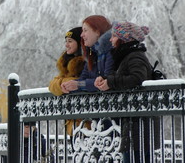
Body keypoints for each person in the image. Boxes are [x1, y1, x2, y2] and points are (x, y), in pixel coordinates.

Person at [95, 21, 159, 163]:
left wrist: (110, 82)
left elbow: (137, 78)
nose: (111, 40)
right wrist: (106, 80)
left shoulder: (135, 56)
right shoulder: (128, 56)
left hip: (140, 126)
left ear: (123, 38)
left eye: (113, 36)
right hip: (134, 125)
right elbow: (126, 78)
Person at [61, 15, 113, 93]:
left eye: (85, 30)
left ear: (97, 32)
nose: (82, 35)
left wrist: (78, 84)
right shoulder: (92, 53)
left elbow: (106, 81)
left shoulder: (111, 51)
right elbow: (83, 79)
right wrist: (68, 86)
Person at [48, 27, 86, 135]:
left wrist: (63, 82)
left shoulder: (85, 61)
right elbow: (52, 85)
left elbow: (81, 81)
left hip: (86, 122)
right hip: (72, 122)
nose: (66, 45)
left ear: (80, 43)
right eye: (66, 41)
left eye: (70, 41)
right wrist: (62, 84)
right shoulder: (65, 63)